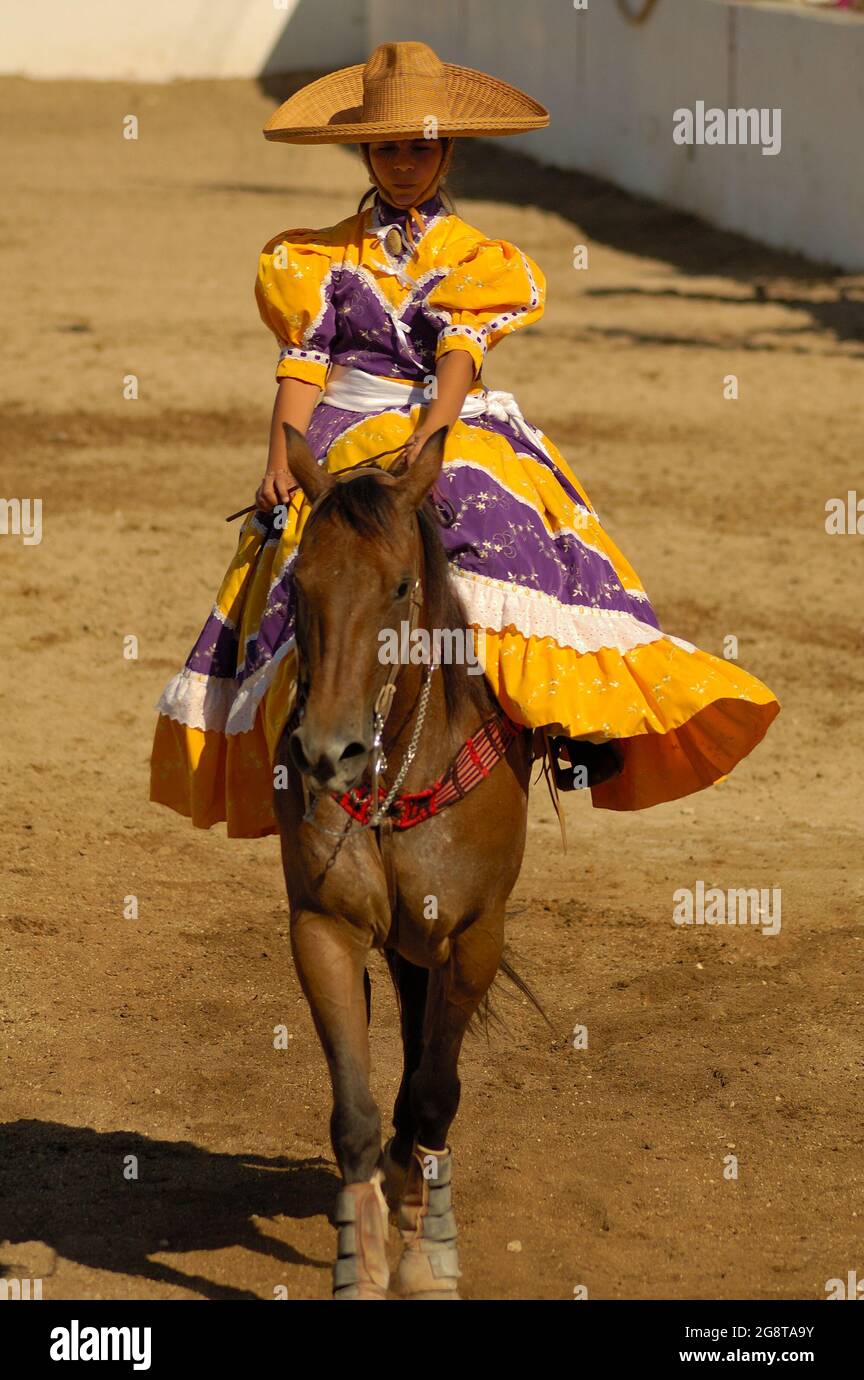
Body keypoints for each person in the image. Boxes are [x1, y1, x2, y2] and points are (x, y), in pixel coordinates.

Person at [150, 40, 779, 838]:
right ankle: (298, 716)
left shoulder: (474, 257)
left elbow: (460, 353)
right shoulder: (315, 254)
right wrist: (280, 457)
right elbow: (304, 362)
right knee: (303, 544)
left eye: (419, 147)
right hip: (345, 423)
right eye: (388, 147)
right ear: (364, 151)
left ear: (446, 151)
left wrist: (437, 432)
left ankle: (564, 725)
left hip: (440, 416)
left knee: (498, 491)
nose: (405, 163)